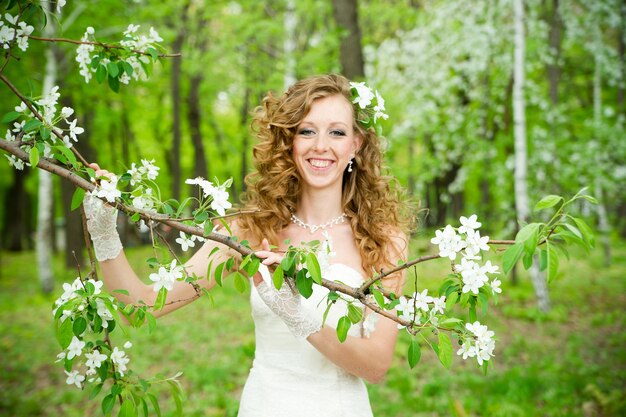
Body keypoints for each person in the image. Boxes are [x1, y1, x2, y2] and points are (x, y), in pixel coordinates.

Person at [84, 74, 411, 417]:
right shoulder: (248, 230)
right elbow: (145, 307)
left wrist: (300, 318)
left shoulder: (384, 241)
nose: (320, 145)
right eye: (307, 130)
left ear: (356, 144)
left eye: (337, 132)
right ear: (290, 140)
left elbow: (376, 366)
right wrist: (104, 231)